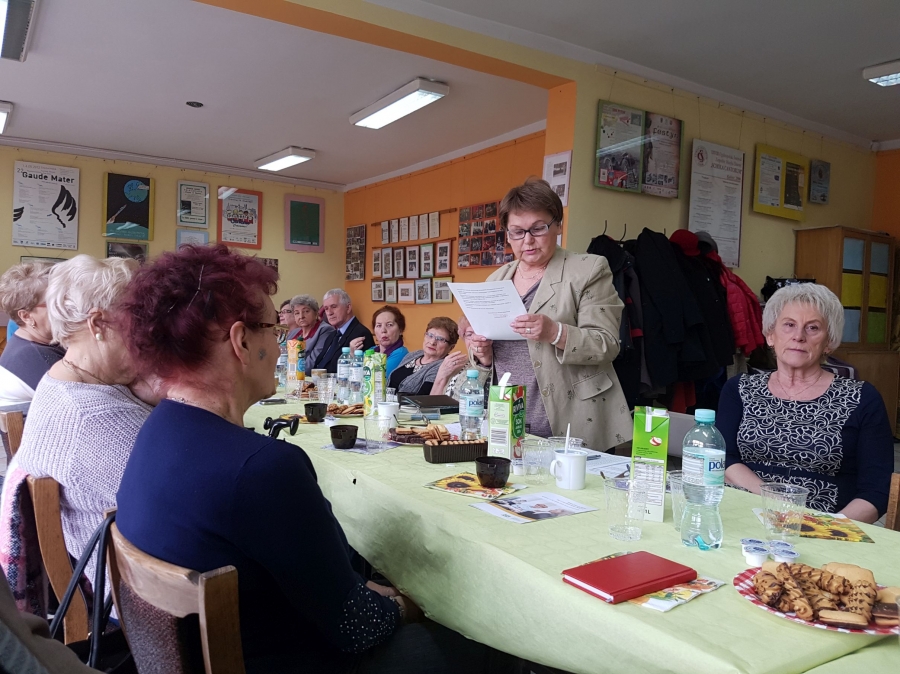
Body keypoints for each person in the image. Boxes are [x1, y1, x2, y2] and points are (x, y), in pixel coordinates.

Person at [115, 244, 513, 674]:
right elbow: (357, 627)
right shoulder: (263, 468)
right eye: (273, 329)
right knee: (489, 636)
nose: (281, 344)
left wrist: (369, 591)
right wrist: (411, 604)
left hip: (208, 655)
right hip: (295, 660)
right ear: (242, 341)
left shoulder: (155, 429)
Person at [7, 255, 152, 586]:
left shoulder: (61, 379)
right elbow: (192, 505)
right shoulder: (96, 418)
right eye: (142, 319)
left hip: (111, 571)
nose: (154, 333)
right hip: (133, 595)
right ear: (98, 324)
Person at [468, 178, 631, 450]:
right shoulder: (496, 279)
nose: (528, 240)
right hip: (507, 421)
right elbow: (490, 356)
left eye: (538, 228)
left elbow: (607, 344)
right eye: (517, 232)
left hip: (572, 422)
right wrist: (482, 355)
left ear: (558, 225)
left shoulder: (588, 269)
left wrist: (555, 332)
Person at [719, 283, 894, 523]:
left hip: (827, 523)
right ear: (770, 335)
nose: (799, 336)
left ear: (829, 341)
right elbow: (724, 457)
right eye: (789, 325)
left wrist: (823, 528)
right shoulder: (739, 389)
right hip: (743, 513)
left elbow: (876, 490)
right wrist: (775, 503)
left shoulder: (863, 398)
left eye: (813, 328)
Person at [0, 263, 66, 402]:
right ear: (26, 316)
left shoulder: (35, 343)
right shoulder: (31, 357)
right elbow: (81, 404)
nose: (67, 308)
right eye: (55, 303)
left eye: (66, 299)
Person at [388, 318, 462, 396]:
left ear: (451, 347)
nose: (432, 342)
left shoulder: (444, 366)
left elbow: (423, 397)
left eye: (440, 339)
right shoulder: (414, 354)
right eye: (430, 335)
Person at [319, 289, 374, 373]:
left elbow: (361, 372)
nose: (329, 313)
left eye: (334, 307)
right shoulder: (332, 335)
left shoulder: (361, 334)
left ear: (348, 308)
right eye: (326, 309)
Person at [443, 316, 491, 400]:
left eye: (480, 333)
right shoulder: (461, 364)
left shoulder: (499, 368)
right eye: (470, 334)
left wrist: (484, 361)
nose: (475, 339)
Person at [291, 294, 336, 375]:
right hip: (291, 376)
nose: (301, 316)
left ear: (316, 313)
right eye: (297, 313)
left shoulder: (325, 330)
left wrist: (291, 371)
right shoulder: (293, 333)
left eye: (306, 311)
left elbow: (312, 363)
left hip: (311, 377)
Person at [367, 305, 408, 376]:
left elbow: (376, 377)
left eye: (389, 325)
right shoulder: (372, 350)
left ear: (401, 330)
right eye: (379, 325)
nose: (383, 330)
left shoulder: (401, 353)